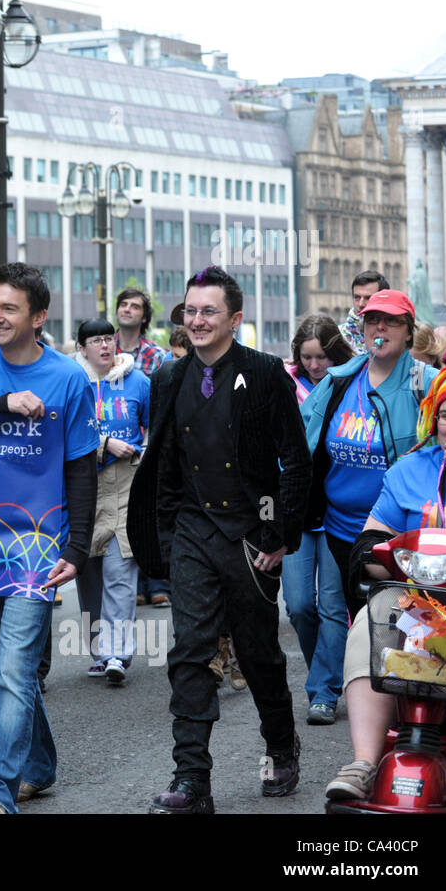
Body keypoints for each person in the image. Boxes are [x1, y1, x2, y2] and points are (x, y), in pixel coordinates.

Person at [128, 266, 310, 814]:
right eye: (190, 310)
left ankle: (281, 746)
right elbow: (163, 464)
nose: (198, 320)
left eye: (210, 311)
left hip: (251, 536)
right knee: (189, 650)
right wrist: (164, 531)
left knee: (257, 654)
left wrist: (280, 534)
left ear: (235, 318)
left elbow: (295, 460)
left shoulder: (264, 374)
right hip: (190, 531)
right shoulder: (168, 378)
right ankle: (192, 781)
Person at [0, 262, 99, 814]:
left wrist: (76, 549)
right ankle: (40, 765)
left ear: (38, 316)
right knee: (14, 669)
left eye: (8, 308)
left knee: (11, 669)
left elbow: (81, 467)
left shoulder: (69, 378)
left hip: (37, 545)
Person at [325, 363, 446, 803]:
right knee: (371, 619)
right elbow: (370, 540)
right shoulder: (409, 469)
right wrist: (376, 558)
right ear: (432, 417)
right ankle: (365, 763)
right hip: (417, 606)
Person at [300, 288, 429, 618]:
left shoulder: (426, 383)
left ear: (409, 330)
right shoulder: (338, 381)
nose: (380, 328)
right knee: (348, 618)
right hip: (339, 530)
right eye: (372, 320)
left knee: (402, 624)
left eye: (391, 321)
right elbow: (298, 443)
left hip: (401, 535)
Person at [281, 314, 354, 725]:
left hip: (335, 510)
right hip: (294, 510)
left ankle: (323, 690)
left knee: (331, 605)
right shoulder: (284, 385)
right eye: (307, 357)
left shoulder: (349, 384)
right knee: (298, 605)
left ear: (335, 353)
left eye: (322, 356)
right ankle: (323, 675)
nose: (314, 365)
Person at [75, 318, 149, 685]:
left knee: (121, 572)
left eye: (109, 339)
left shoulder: (138, 382)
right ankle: (98, 650)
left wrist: (141, 453)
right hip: (84, 487)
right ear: (82, 347)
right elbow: (63, 432)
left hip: (126, 486)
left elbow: (153, 428)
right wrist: (105, 445)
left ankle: (117, 653)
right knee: (88, 572)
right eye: (96, 340)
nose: (104, 345)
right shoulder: (72, 382)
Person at [114, 288, 168, 376]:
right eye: (123, 305)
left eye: (135, 307)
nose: (127, 309)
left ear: (144, 318)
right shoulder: (101, 350)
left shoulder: (158, 356)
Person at [340, 269, 389, 355]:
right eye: (357, 297)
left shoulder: (393, 334)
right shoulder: (339, 335)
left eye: (368, 298)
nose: (361, 304)